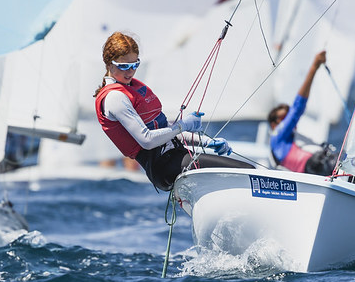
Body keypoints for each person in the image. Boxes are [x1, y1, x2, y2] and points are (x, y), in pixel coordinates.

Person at [93, 31, 254, 191]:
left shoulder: (132, 88)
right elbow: (147, 140)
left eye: (135, 65)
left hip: (176, 156)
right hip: (163, 166)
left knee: (245, 171)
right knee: (248, 172)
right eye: (124, 66)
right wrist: (183, 125)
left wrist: (207, 142)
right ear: (109, 64)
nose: (130, 71)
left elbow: (166, 131)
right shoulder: (115, 97)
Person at [267, 50, 337, 175]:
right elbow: (297, 108)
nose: (288, 121)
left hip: (317, 166)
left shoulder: (292, 138)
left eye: (288, 116)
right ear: (273, 124)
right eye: (283, 118)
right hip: (314, 166)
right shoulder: (277, 135)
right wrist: (314, 66)